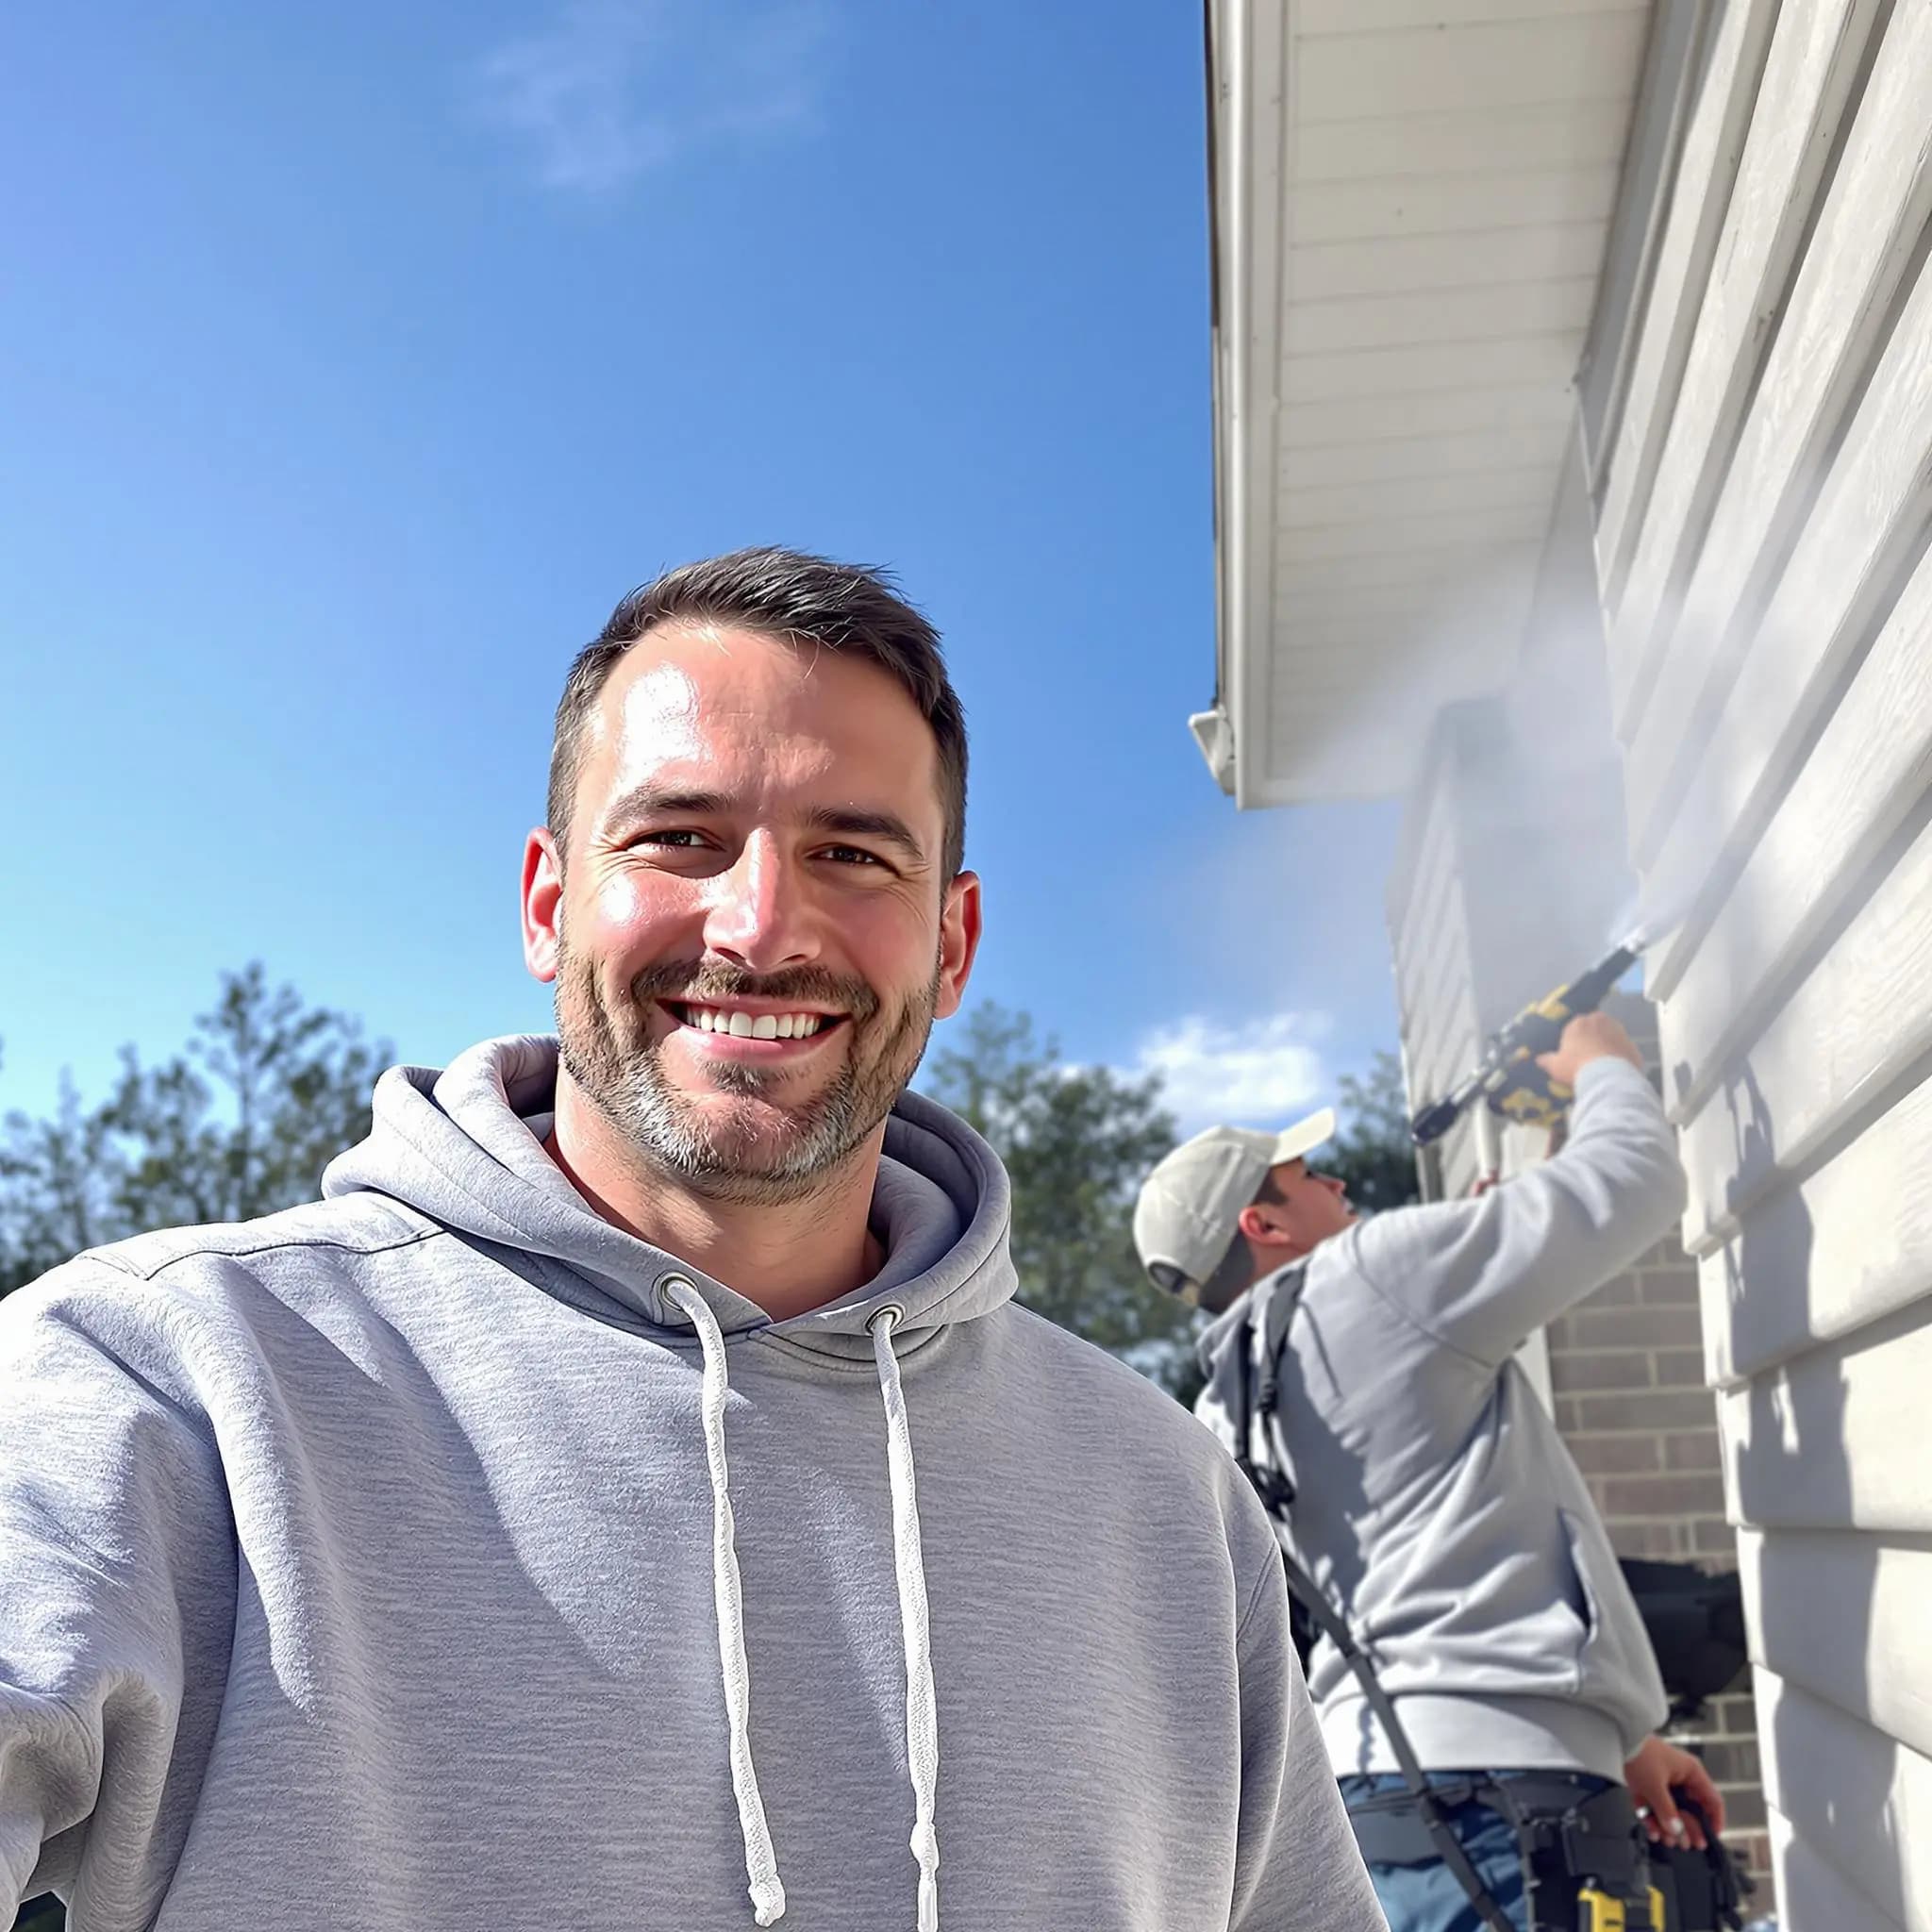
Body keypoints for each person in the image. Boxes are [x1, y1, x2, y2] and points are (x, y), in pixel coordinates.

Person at [0, 549, 1387, 1932]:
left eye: (852, 852)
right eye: (680, 838)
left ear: (952, 945)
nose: (763, 925)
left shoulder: (1172, 1505)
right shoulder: (170, 1383)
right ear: (550, 904)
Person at [1132, 1012, 1727, 1932]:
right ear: (1261, 1221)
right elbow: (1632, 1180)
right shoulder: (1372, 1275)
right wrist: (1601, 1062)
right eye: (1304, 1175)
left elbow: (1421, 1568)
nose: (1335, 1179)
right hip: (1513, 1811)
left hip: (1369, 1811)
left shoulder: (1221, 1408)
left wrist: (1620, 1735)